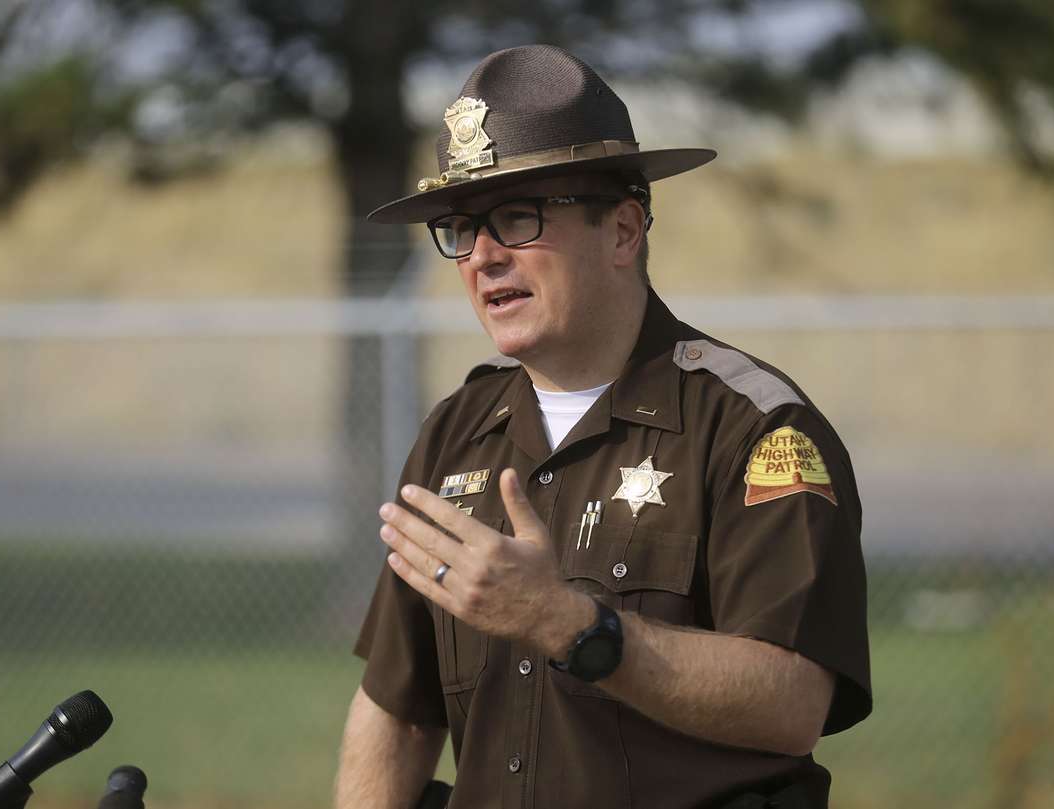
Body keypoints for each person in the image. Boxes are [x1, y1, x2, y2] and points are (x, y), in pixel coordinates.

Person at [334, 45, 871, 809]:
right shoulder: (456, 433)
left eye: (516, 218)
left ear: (623, 230)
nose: (482, 256)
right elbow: (397, 709)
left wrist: (568, 623)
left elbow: (793, 703)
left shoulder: (754, 428)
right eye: (460, 227)